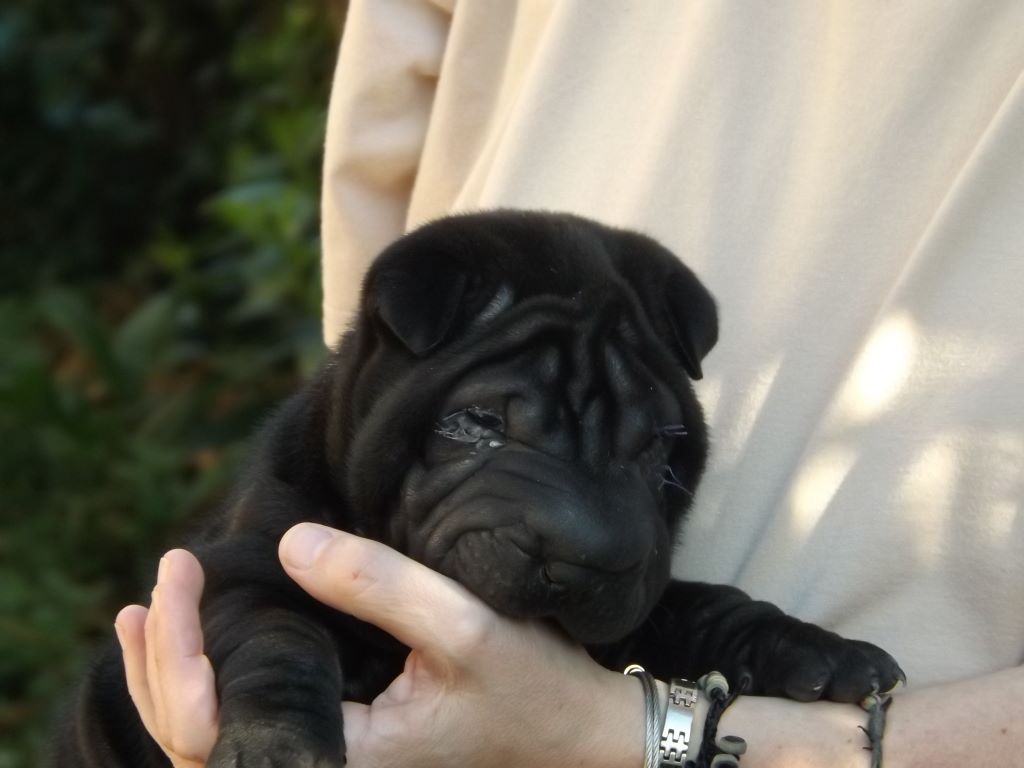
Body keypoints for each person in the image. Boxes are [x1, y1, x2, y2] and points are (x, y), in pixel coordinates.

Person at [116, 1, 1024, 765]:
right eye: (486, 424)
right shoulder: (318, 488)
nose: (577, 525)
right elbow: (254, 600)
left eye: (648, 452)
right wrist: (278, 699)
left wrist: (704, 678)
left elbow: (383, 139)